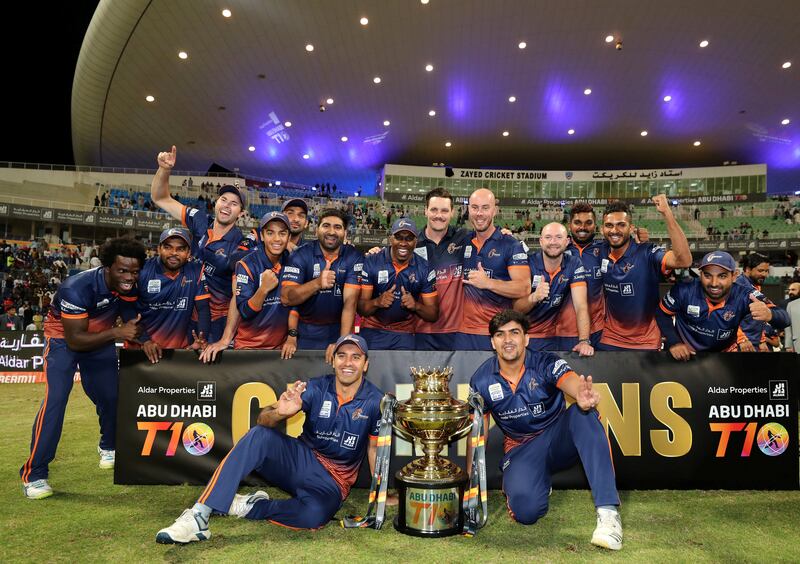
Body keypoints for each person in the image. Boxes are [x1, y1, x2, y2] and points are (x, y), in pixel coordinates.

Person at [155, 334, 382, 543]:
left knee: (313, 517)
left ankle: (251, 507)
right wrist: (280, 413)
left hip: (333, 481)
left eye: (356, 357)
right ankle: (199, 516)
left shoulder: (375, 401)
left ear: (366, 364)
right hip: (301, 461)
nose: (347, 363)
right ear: (333, 361)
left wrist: (380, 495)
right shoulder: (316, 387)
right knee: (260, 436)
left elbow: (373, 450)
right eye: (341, 356)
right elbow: (263, 420)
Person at [468, 310, 622, 550]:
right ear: (492, 342)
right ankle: (537, 482)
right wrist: (470, 484)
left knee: (584, 415)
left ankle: (608, 515)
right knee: (526, 513)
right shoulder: (481, 380)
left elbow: (569, 379)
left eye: (514, 333)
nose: (507, 340)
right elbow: (478, 434)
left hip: (557, 438)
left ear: (526, 338)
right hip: (521, 448)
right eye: (500, 335)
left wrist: (579, 393)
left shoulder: (545, 362)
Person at [20, 238, 145, 499]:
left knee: (111, 396)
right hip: (63, 341)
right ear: (107, 267)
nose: (129, 277)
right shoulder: (76, 288)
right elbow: (76, 339)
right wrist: (118, 331)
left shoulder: (129, 285)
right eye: (122, 271)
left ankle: (108, 446)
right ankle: (35, 474)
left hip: (101, 340)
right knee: (56, 400)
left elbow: (134, 319)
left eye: (134, 272)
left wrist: (140, 335)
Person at [151, 146, 251, 344]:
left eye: (234, 203)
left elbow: (227, 267)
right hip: (185, 314)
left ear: (241, 213)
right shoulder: (199, 219)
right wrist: (164, 170)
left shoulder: (243, 243)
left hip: (218, 321)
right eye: (223, 199)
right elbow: (160, 198)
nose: (226, 205)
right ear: (216, 203)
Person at [596, 196, 692, 351]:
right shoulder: (599, 251)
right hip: (610, 338)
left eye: (621, 225)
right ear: (602, 229)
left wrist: (667, 213)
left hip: (645, 341)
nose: (614, 230)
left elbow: (684, 261)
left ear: (632, 228)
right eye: (609, 225)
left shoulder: (647, 252)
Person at [656, 252, 790, 360]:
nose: (714, 283)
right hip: (685, 355)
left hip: (723, 358)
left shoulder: (745, 293)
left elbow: (785, 319)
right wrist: (674, 342)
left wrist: (769, 314)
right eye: (707, 275)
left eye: (722, 276)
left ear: (734, 276)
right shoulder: (684, 289)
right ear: (700, 274)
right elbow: (662, 313)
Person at [202, 212, 298, 360]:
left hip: (280, 350)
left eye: (282, 233)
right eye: (270, 233)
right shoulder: (247, 264)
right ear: (262, 235)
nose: (277, 239)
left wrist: (292, 336)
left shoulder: (294, 262)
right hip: (248, 349)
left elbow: (296, 304)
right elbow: (245, 311)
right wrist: (263, 289)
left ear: (289, 237)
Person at [280, 208, 362, 362]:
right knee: (303, 382)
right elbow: (286, 297)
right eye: (326, 226)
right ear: (316, 229)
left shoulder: (354, 256)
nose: (331, 232)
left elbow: (350, 303)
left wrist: (342, 341)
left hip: (339, 328)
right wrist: (317, 283)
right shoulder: (300, 255)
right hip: (305, 330)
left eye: (337, 227)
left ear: (345, 232)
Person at [455, 188, 530, 350]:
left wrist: (488, 283)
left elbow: (524, 288)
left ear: (495, 210)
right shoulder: (463, 240)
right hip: (463, 333)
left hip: (497, 333)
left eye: (485, 207)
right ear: (468, 210)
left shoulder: (511, 245)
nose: (479, 213)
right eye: (474, 208)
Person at [357, 218, 438, 350]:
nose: (403, 243)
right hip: (373, 329)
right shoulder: (372, 261)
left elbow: (433, 314)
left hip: (403, 332)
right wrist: (377, 302)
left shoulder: (425, 268)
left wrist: (416, 306)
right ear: (390, 239)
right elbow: (361, 308)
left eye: (409, 238)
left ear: (415, 242)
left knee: (404, 371)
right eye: (399, 237)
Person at [513, 222, 592, 355]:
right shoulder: (527, 263)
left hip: (561, 337)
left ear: (567, 241)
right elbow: (515, 309)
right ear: (541, 241)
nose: (553, 242)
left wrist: (584, 341)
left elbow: (581, 306)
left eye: (558, 237)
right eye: (548, 237)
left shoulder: (574, 263)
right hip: (532, 336)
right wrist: (534, 297)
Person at [134, 227, 211, 363]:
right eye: (168, 247)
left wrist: (201, 338)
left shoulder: (196, 271)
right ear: (159, 249)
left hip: (178, 351)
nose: (173, 253)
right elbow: (128, 309)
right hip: (142, 349)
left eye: (180, 249)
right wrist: (144, 341)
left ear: (188, 253)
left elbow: (203, 308)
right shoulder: (142, 270)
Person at [413, 188, 470, 350]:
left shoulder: (464, 237)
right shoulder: (412, 243)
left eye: (444, 210)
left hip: (456, 332)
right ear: (425, 211)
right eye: (434, 210)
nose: (439, 215)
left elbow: (488, 237)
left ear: (452, 212)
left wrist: (504, 232)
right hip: (421, 331)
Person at [738, 253, 772, 352]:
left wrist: (761, 339)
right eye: (761, 270)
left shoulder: (755, 284)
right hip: (740, 344)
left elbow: (756, 315)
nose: (765, 274)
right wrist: (741, 338)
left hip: (753, 342)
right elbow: (726, 316)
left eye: (766, 271)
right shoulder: (738, 287)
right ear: (748, 269)